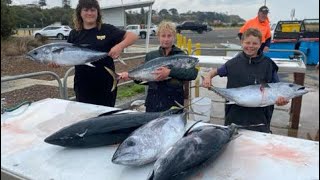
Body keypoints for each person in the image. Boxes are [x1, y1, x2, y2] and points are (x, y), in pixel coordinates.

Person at [50, 0, 138, 107]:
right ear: (80, 13)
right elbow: (67, 55)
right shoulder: (74, 34)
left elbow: (133, 36)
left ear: (98, 12)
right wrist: (57, 62)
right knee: (86, 117)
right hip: (82, 85)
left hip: (106, 84)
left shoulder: (107, 29)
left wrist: (119, 46)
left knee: (105, 118)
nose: (89, 13)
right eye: (86, 10)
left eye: (93, 10)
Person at [202, 28, 288, 133]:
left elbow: (276, 87)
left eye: (255, 43)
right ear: (242, 43)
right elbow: (216, 71)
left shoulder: (269, 65)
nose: (251, 46)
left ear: (261, 44)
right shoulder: (233, 63)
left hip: (260, 118)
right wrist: (208, 77)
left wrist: (281, 99)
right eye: (247, 42)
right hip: (234, 116)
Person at [118, 21, 198, 112]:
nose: (166, 39)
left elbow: (193, 73)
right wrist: (132, 76)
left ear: (174, 37)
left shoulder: (181, 55)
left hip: (174, 102)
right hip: (153, 102)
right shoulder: (151, 56)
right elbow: (145, 80)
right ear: (158, 37)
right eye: (163, 36)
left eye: (169, 36)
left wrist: (169, 72)